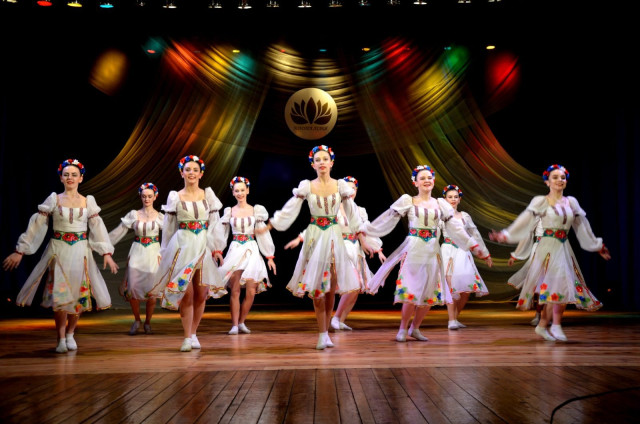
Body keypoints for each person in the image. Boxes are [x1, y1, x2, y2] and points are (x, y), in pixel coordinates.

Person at [256, 145, 372, 350]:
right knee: (319, 287)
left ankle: (327, 332)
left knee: (331, 289)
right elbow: (290, 209)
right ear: (313, 164)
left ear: (332, 162)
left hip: (334, 236)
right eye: (317, 160)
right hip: (316, 236)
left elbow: (353, 215)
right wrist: (271, 225)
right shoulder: (307, 186)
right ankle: (321, 333)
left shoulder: (341, 186)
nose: (321, 162)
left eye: (325, 159)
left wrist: (364, 237)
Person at [2, 159, 119, 353]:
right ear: (61, 178)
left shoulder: (87, 201)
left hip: (80, 251)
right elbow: (36, 225)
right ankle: (61, 337)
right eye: (66, 175)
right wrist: (20, 250)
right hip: (59, 250)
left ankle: (71, 333)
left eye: (74, 175)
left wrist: (106, 253)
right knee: (60, 295)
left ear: (81, 178)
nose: (70, 177)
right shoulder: (54, 200)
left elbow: (98, 228)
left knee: (78, 295)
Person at [363, 165, 489, 342]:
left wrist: (473, 246)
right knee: (411, 290)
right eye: (422, 178)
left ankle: (415, 328)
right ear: (415, 183)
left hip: (432, 251)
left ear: (433, 181)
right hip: (414, 249)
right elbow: (388, 218)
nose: (426, 180)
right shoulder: (408, 200)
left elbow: (456, 228)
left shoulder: (441, 204)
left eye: (429, 177)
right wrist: (367, 230)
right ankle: (402, 329)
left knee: (429, 292)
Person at [489, 164, 611, 342]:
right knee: (557, 286)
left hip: (563, 247)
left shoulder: (571, 202)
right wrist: (506, 235)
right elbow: (525, 221)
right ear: (547, 182)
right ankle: (554, 325)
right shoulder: (541, 201)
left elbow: (582, 226)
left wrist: (596, 245)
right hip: (546, 247)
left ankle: (544, 325)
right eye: (555, 177)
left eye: (562, 177)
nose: (560, 180)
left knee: (560, 287)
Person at [286, 175, 385, 332]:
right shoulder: (333, 208)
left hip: (355, 250)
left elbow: (365, 230)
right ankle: (330, 319)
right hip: (338, 248)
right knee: (341, 285)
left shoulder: (360, 211)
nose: (351, 191)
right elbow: (320, 226)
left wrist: (377, 249)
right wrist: (300, 238)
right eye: (348, 188)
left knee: (357, 287)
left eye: (354, 188)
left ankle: (339, 319)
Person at [148, 155, 227, 352]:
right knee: (187, 293)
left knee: (201, 293)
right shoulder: (175, 196)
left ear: (201, 174)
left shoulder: (208, 195)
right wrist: (164, 251)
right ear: (181, 172)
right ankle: (186, 337)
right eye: (188, 169)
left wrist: (217, 249)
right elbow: (168, 227)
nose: (191, 173)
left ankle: (193, 333)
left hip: (203, 245)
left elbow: (215, 224)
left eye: (195, 170)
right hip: (183, 245)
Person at [218, 176, 276, 335]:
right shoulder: (229, 211)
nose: (240, 193)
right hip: (236, 249)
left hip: (251, 249)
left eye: (242, 190)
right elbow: (222, 233)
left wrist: (269, 256)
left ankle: (242, 322)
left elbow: (263, 234)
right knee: (235, 290)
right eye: (237, 190)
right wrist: (218, 251)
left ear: (248, 190)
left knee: (251, 291)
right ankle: (234, 325)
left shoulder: (256, 210)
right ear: (233, 192)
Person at [108, 182, 163, 335]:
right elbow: (118, 231)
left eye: (150, 196)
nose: (147, 199)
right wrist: (103, 245)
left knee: (152, 291)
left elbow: (171, 236)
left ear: (155, 197)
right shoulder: (134, 214)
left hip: (153, 253)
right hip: (137, 251)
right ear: (140, 196)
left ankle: (148, 322)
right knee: (132, 288)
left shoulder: (160, 217)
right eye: (144, 196)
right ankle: (137, 320)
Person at [440, 184, 493, 330]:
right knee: (451, 287)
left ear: (459, 199)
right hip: (448, 251)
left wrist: (485, 254)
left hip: (463, 253)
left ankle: (455, 317)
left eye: (455, 197)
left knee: (466, 290)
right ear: (445, 199)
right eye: (450, 197)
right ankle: (451, 320)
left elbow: (475, 235)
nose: (453, 199)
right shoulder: (441, 216)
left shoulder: (464, 216)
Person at [507, 219, 544, 326]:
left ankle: (548, 315)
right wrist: (516, 255)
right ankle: (538, 313)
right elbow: (527, 233)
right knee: (539, 282)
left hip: (556, 248)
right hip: (540, 249)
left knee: (553, 282)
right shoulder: (539, 213)